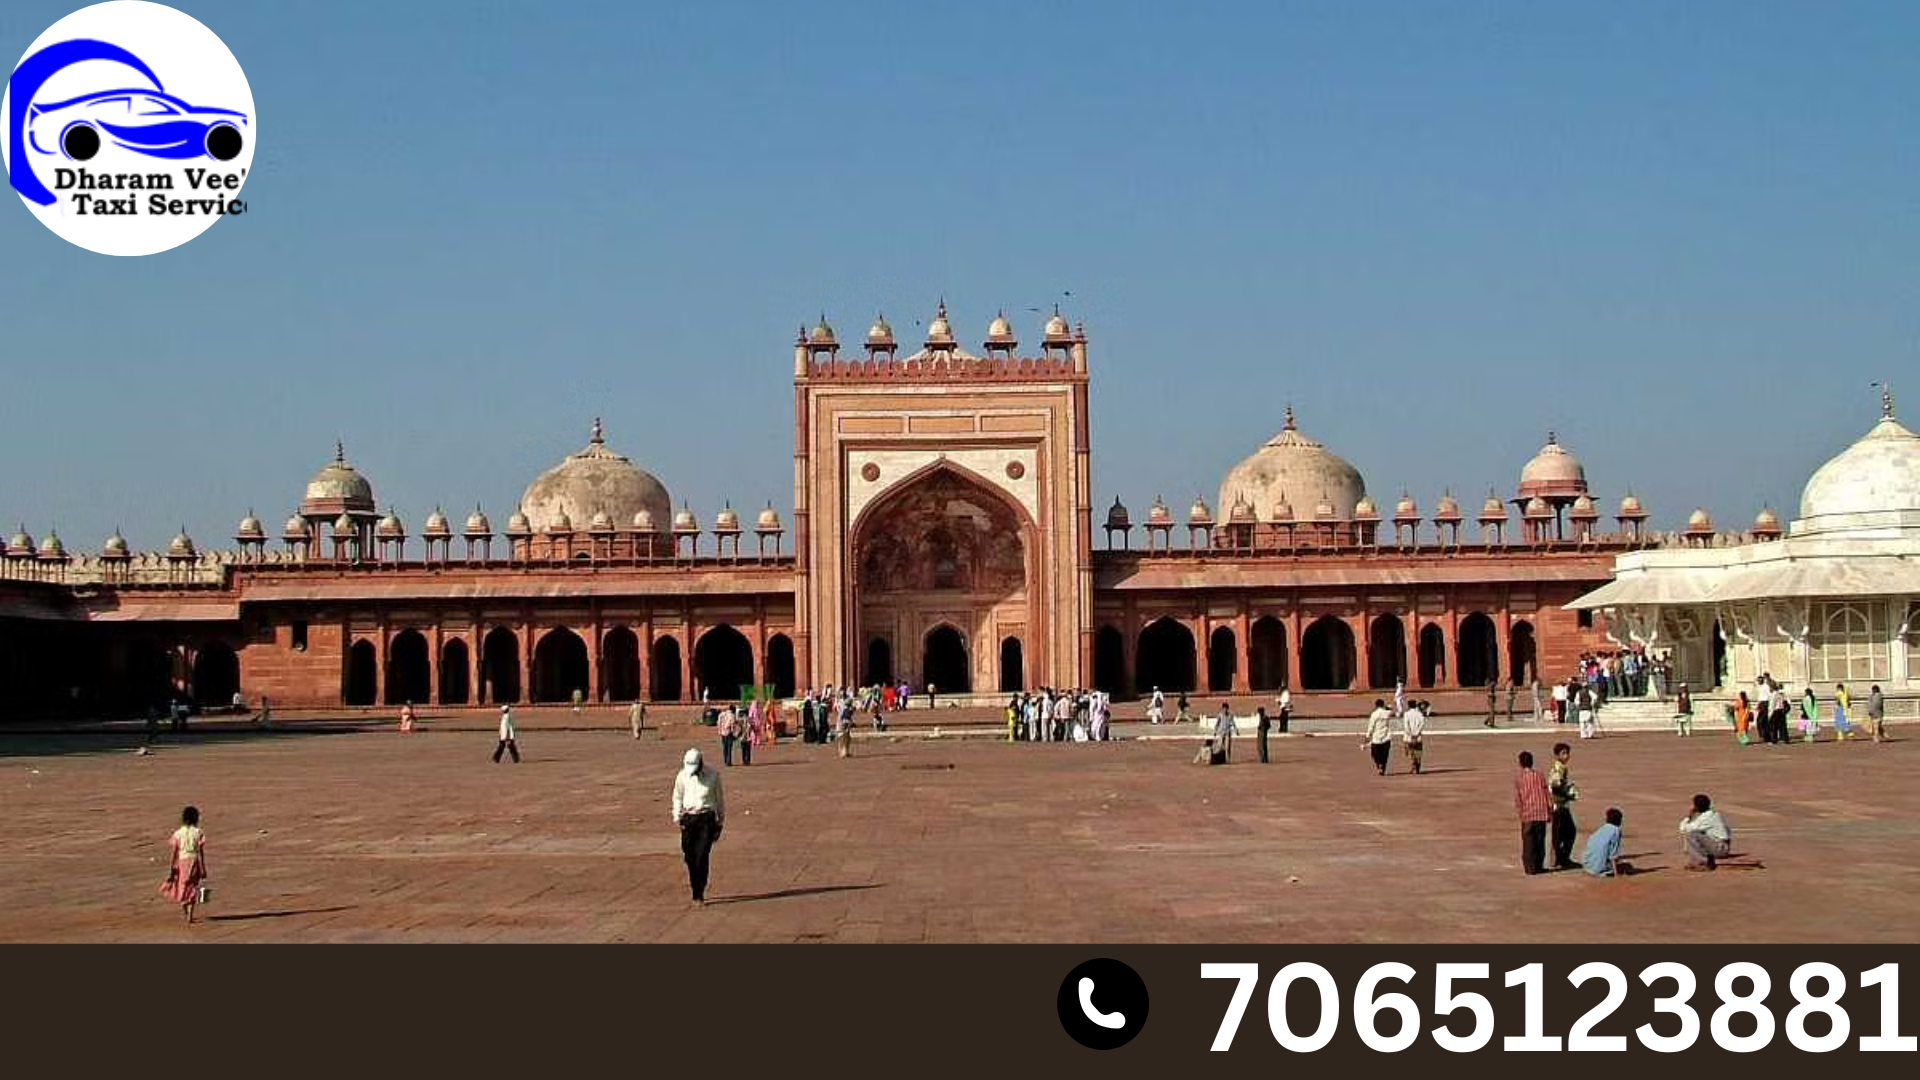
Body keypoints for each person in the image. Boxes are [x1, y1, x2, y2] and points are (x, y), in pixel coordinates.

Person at [671, 748, 725, 905]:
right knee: (689, 856)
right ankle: (695, 882)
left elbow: (719, 799)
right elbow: (677, 796)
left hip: (706, 819)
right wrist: (677, 816)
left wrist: (720, 822)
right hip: (688, 818)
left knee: (702, 855)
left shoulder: (713, 776)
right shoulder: (682, 776)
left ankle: (698, 891)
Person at [158, 805, 209, 925]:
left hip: (182, 862)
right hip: (194, 861)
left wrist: (171, 867)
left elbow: (174, 852)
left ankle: (184, 905)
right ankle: (190, 915)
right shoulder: (198, 832)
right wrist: (203, 868)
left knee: (182, 885)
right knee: (193, 886)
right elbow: (201, 852)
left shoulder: (178, 833)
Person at [1514, 751, 1552, 875]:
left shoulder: (1519, 778)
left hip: (1528, 815)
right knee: (1540, 842)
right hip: (1541, 813)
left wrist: (1521, 814)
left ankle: (1530, 868)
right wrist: (1549, 811)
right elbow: (1546, 793)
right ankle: (1539, 866)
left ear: (1520, 763)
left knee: (1528, 842)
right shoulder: (1539, 775)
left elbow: (1518, 798)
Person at [1547, 743, 1579, 871]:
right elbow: (1555, 785)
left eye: (1567, 753)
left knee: (1562, 833)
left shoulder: (1561, 767)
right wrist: (1568, 794)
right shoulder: (1559, 768)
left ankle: (1559, 858)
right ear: (1557, 755)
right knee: (1567, 832)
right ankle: (1561, 859)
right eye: (1563, 753)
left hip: (1561, 804)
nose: (1566, 756)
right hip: (1559, 805)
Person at [1679, 793, 1731, 871]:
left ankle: (1703, 863)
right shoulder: (1713, 814)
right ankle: (1704, 860)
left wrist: (1689, 817)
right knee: (1696, 833)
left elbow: (1683, 829)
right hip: (1721, 845)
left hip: (1720, 848)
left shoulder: (1707, 817)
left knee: (1691, 834)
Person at [1582, 807, 1625, 878]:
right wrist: (1616, 875)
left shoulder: (1602, 828)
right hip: (1597, 870)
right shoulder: (1616, 831)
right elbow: (1613, 855)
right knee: (1625, 866)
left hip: (1586, 865)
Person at [1365, 699, 1392, 776]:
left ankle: (1378, 764)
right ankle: (1382, 768)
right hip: (1386, 736)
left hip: (1376, 737)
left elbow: (1371, 726)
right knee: (1385, 755)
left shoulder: (1374, 714)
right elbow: (1390, 708)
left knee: (1374, 754)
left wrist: (1368, 736)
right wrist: (1386, 707)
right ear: (1383, 705)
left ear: (1376, 705)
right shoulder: (1387, 713)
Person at [1402, 699, 1426, 775]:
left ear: (1408, 706)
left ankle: (1414, 765)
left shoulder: (1406, 714)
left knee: (1412, 752)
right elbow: (1422, 724)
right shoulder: (1420, 714)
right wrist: (1416, 733)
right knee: (1418, 752)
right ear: (1415, 705)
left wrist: (1411, 734)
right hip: (1418, 736)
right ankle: (1417, 766)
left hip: (1409, 737)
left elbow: (1406, 726)